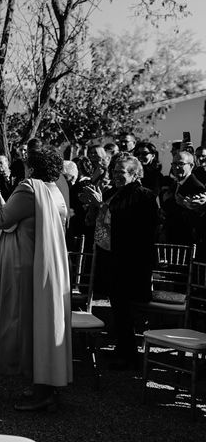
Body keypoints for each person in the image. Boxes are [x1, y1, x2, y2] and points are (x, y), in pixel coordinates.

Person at [0, 147, 72, 411]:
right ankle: (43, 383)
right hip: (49, 267)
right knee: (42, 323)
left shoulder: (29, 188)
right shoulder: (56, 190)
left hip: (26, 268)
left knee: (25, 323)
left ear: (31, 167)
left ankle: (40, 389)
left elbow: (2, 219)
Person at [81, 154, 158, 369]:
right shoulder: (111, 193)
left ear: (134, 174)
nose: (116, 175)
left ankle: (130, 354)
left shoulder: (144, 196)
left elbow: (134, 225)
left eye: (121, 172)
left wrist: (102, 206)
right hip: (112, 258)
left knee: (127, 309)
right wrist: (93, 207)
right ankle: (123, 348)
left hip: (131, 260)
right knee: (118, 307)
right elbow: (98, 224)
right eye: (114, 171)